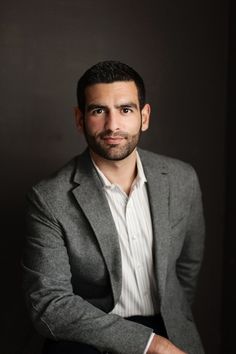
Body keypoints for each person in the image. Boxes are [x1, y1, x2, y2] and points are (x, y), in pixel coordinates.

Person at [22, 61, 205, 354]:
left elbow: (188, 268)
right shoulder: (48, 198)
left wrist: (168, 330)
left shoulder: (183, 179)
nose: (113, 126)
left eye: (126, 109)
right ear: (80, 119)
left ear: (144, 117)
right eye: (98, 111)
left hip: (169, 326)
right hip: (90, 332)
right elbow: (49, 303)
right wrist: (150, 345)